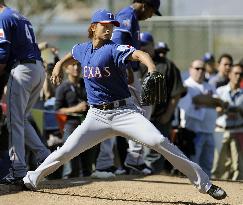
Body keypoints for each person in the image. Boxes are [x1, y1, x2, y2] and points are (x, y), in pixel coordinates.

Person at [23, 9, 226, 200]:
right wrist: (59, 64)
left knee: (158, 141)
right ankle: (31, 178)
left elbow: (139, 54)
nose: (109, 28)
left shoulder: (115, 48)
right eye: (105, 25)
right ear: (94, 26)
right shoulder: (83, 49)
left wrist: (152, 68)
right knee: (66, 150)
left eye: (112, 25)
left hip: (124, 112)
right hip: (97, 116)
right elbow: (72, 54)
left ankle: (205, 184)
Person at [108, 0, 162, 173]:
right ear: (145, 5)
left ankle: (134, 158)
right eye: (153, 10)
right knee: (140, 109)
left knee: (142, 109)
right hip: (126, 71)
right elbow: (116, 45)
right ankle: (132, 158)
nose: (151, 15)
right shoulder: (126, 15)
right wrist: (126, 69)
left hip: (130, 71)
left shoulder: (132, 17)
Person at [0, 1, 50, 185]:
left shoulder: (3, 17)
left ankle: (18, 170)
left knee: (13, 121)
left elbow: (2, 50)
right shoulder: (20, 16)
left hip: (22, 69)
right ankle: (45, 156)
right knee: (21, 119)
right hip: (37, 69)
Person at [139, 32, 187, 173]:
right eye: (140, 46)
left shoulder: (166, 65)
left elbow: (176, 92)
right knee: (136, 151)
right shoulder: (133, 65)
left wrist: (168, 114)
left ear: (153, 46)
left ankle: (153, 180)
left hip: (159, 117)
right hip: (138, 117)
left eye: (145, 45)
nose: (143, 48)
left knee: (155, 151)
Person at [178, 59, 227, 177]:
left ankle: (207, 189)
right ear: (190, 69)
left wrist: (204, 100)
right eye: (197, 68)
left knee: (208, 165)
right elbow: (195, 100)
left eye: (203, 69)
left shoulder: (209, 86)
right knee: (194, 165)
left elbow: (219, 103)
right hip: (193, 132)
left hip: (209, 130)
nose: (200, 71)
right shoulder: (187, 85)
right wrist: (209, 101)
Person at [55, 62, 98, 178]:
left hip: (88, 125)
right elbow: (57, 110)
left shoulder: (87, 84)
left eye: (78, 65)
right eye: (72, 65)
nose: (76, 68)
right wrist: (76, 108)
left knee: (88, 166)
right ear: (66, 69)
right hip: (71, 127)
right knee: (71, 165)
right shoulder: (62, 88)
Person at [212, 64, 243, 180]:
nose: (238, 76)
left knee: (238, 165)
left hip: (239, 130)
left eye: (241, 74)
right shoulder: (220, 91)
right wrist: (223, 108)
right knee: (219, 164)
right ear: (230, 74)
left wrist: (239, 111)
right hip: (221, 130)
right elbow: (213, 109)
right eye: (236, 73)